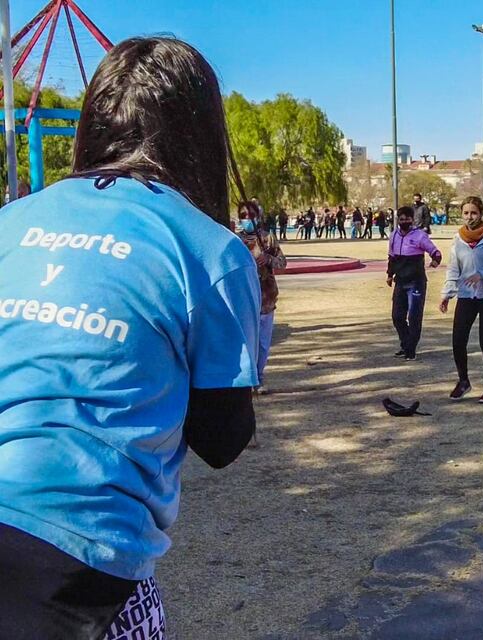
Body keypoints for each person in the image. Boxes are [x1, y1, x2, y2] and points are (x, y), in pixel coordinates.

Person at [0, 37, 259, 639]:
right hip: (79, 535)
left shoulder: (12, 222)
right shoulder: (210, 248)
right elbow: (223, 439)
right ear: (199, 132)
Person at [439, 196, 483, 402]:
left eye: (474, 213)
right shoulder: (458, 238)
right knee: (458, 340)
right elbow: (454, 268)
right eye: (466, 213)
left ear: (481, 214)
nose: (469, 217)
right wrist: (447, 294)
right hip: (466, 295)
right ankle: (463, 381)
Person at [237, 201, 287, 390]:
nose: (247, 219)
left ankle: (258, 377)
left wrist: (269, 259)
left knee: (263, 343)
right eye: (244, 215)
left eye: (251, 215)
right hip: (244, 300)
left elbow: (282, 262)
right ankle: (246, 379)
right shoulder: (235, 241)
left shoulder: (267, 239)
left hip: (265, 298)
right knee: (247, 342)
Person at [388, 206, 443, 361]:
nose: (404, 221)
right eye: (401, 218)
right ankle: (405, 344)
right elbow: (391, 257)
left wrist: (435, 260)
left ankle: (410, 350)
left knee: (414, 317)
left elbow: (435, 251)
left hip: (416, 282)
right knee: (397, 317)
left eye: (407, 218)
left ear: (412, 219)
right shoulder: (394, 236)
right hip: (400, 282)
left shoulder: (419, 236)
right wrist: (389, 275)